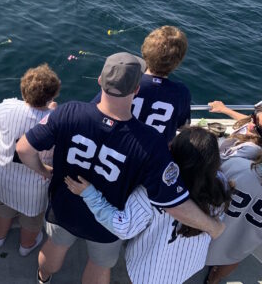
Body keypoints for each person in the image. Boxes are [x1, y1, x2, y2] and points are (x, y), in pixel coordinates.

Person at [16, 52, 225, 284]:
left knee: (55, 246)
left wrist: (45, 171)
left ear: (99, 81)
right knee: (99, 264)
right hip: (108, 223)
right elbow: (174, 204)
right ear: (136, 89)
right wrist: (212, 227)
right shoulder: (151, 143)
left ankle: (43, 278)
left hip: (64, 206)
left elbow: (24, 149)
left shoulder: (69, 112)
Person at [65, 126, 232, 284]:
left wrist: (90, 195)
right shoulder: (221, 184)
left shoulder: (149, 192)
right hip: (188, 264)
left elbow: (123, 227)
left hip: (149, 270)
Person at [0, 64, 60, 256]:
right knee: (31, 218)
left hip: (2, 172)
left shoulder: (8, 106)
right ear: (52, 95)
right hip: (33, 186)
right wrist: (51, 110)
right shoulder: (56, 121)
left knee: (2, 205)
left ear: (23, 89)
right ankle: (25, 247)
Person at [92, 26, 191, 144]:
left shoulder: (126, 81)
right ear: (178, 61)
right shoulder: (182, 92)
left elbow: (95, 110)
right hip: (154, 153)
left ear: (144, 51)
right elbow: (183, 125)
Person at [204, 105, 262, 284]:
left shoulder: (238, 165)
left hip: (216, 226)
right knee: (233, 256)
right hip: (246, 236)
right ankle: (214, 279)